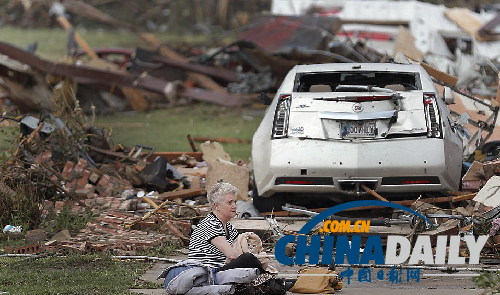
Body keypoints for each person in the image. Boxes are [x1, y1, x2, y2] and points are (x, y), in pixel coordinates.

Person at [188, 182, 265, 272]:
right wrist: (257, 260)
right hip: (206, 273)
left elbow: (238, 250)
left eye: (235, 202)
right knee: (248, 259)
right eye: (229, 203)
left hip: (220, 270)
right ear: (216, 206)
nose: (234, 206)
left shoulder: (229, 227)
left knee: (255, 259)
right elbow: (232, 255)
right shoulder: (211, 224)